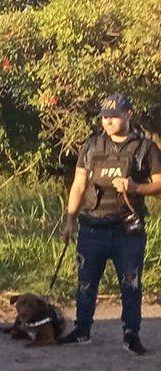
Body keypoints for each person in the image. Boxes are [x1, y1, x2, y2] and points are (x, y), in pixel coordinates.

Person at [58, 93, 161, 355]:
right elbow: (79, 185)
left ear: (129, 114)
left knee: (131, 283)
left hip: (127, 230)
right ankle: (82, 330)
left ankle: (131, 335)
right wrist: (69, 220)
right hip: (92, 226)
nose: (108, 121)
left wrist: (135, 187)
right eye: (104, 117)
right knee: (86, 282)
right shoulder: (92, 146)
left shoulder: (146, 148)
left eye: (114, 116)